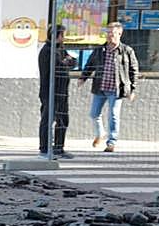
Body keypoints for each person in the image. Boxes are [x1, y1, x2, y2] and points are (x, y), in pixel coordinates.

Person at [80, 21, 139, 153]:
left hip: (116, 89)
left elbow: (133, 70)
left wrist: (132, 89)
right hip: (100, 87)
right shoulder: (100, 50)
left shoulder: (126, 51)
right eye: (107, 33)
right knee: (94, 114)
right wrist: (83, 77)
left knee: (113, 115)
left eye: (112, 33)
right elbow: (90, 64)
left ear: (120, 33)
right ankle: (100, 133)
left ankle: (111, 142)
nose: (109, 35)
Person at [38, 25, 77, 159]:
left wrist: (68, 61)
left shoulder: (60, 49)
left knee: (63, 119)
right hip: (50, 91)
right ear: (57, 36)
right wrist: (65, 62)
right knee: (47, 119)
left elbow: (73, 62)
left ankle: (59, 148)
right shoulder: (47, 50)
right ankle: (44, 149)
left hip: (62, 90)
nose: (64, 37)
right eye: (62, 35)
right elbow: (57, 66)